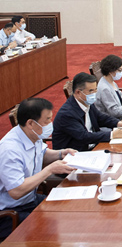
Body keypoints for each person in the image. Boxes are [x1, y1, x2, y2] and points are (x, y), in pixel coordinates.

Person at [0, 98, 76, 240]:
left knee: (68, 210)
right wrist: (49, 170)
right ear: (30, 123)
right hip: (10, 212)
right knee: (51, 228)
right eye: (47, 120)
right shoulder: (9, 150)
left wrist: (61, 153)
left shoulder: (31, 135)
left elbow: (42, 154)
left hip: (30, 199)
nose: (50, 124)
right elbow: (16, 191)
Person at [53, 73, 122, 152]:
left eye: (95, 89)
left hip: (92, 146)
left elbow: (100, 117)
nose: (94, 94)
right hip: (76, 153)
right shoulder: (67, 114)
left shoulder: (86, 102)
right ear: (78, 92)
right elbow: (84, 136)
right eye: (91, 91)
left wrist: (117, 123)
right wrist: (113, 134)